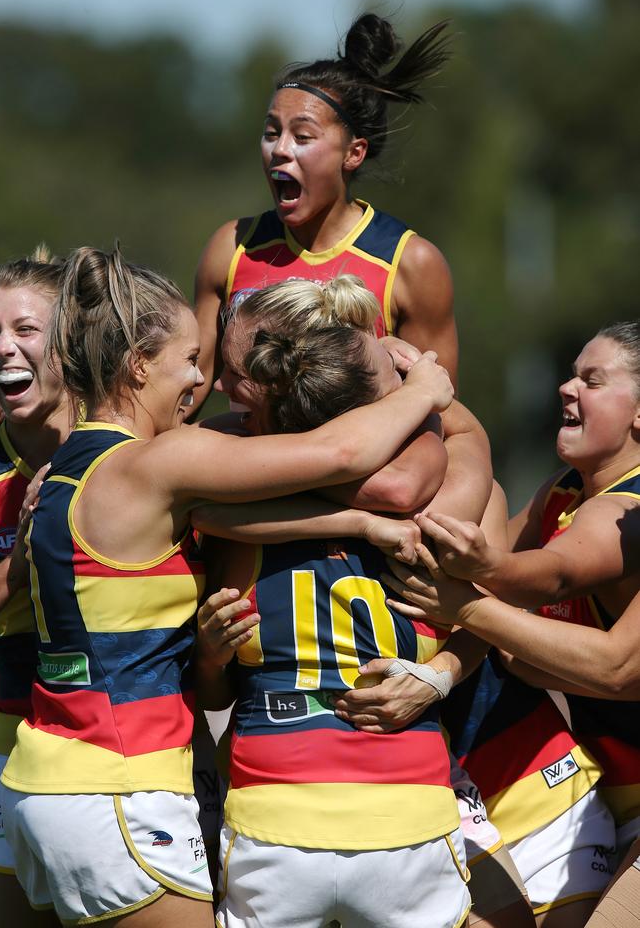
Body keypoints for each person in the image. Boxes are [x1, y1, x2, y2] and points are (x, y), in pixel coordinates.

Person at [0, 245, 452, 928]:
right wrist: (424, 391)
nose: (202, 382)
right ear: (137, 365)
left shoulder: (66, 465)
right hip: (120, 786)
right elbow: (341, 453)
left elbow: (220, 511)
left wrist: (354, 518)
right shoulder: (162, 461)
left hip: (47, 779)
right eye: (189, 359)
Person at [195, 278, 472, 928]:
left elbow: (211, 692)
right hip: (411, 810)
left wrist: (209, 659)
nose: (214, 387)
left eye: (232, 373)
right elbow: (483, 607)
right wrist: (428, 397)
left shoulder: (219, 494)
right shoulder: (444, 479)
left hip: (274, 808)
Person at [384, 321, 640, 926]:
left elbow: (554, 588)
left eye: (592, 380)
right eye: (572, 373)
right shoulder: (564, 491)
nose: (565, 388)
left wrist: (473, 599)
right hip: (616, 795)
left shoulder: (625, 510)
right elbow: (505, 580)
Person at [194, 12, 458, 402]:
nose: (280, 149)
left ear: (353, 154)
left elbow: (442, 418)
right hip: (250, 462)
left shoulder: (411, 264)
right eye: (271, 133)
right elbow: (182, 398)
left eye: (302, 136)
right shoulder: (231, 249)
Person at [0, 250, 72, 928]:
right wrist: (22, 557)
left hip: (127, 750)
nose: (3, 348)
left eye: (25, 329)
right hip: (3, 743)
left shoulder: (130, 445)